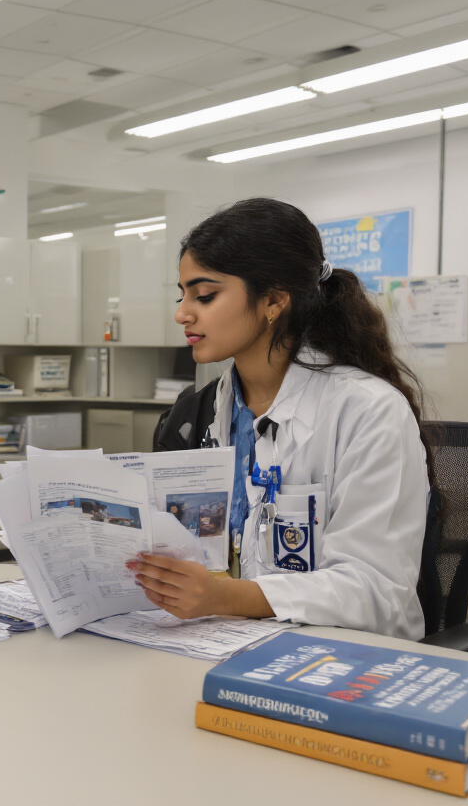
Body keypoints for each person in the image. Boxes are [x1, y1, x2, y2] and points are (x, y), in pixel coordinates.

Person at [132, 198, 432, 640]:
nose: (182, 313)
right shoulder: (199, 412)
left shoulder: (368, 411)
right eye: (182, 296)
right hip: (217, 641)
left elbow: (376, 592)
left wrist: (226, 597)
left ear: (273, 300)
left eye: (205, 295)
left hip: (339, 657)